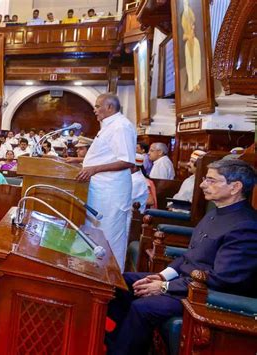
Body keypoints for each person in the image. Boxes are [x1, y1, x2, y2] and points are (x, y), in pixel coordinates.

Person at [106, 159, 257, 355]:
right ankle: (120, 341)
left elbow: (223, 279)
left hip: (206, 296)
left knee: (142, 307)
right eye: (204, 179)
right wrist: (163, 276)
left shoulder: (246, 226)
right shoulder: (215, 213)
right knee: (122, 282)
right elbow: (191, 255)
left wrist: (165, 287)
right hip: (186, 283)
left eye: (211, 180)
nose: (202, 184)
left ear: (235, 187)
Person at [76, 94, 136, 271]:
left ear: (110, 107)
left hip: (111, 193)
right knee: (95, 234)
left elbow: (126, 161)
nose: (94, 109)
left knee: (108, 235)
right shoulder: (109, 126)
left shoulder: (121, 126)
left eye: (97, 106)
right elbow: (106, 156)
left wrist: (93, 169)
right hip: (100, 191)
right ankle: (93, 273)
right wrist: (77, 161)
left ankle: (110, 278)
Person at [181, 0, 201, 93]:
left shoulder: (192, 17)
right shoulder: (183, 21)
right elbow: (184, 36)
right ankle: (191, 85)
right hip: (188, 45)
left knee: (196, 63)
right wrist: (188, 36)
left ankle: (196, 83)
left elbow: (193, 27)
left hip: (195, 43)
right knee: (189, 64)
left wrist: (192, 33)